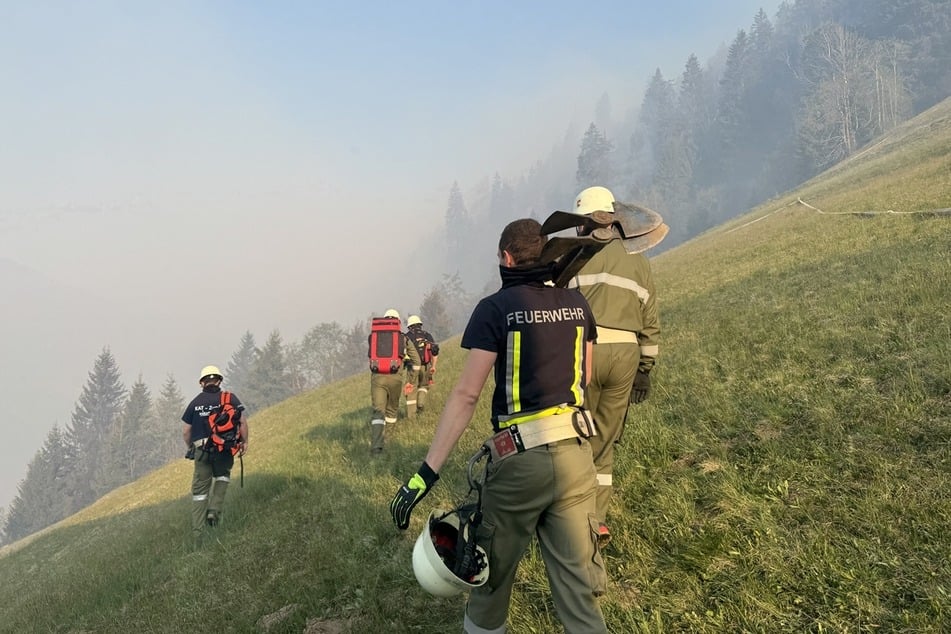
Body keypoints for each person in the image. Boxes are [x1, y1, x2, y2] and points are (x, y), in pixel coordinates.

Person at [389, 218, 608, 633]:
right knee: (578, 595)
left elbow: (466, 396)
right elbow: (588, 377)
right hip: (579, 458)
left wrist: (424, 476)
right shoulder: (578, 304)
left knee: (488, 583)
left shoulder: (495, 308)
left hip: (521, 464)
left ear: (506, 258)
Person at [567, 185, 661, 542]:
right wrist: (644, 370)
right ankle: (597, 522)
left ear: (584, 222)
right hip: (626, 356)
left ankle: (572, 516)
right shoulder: (639, 260)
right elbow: (650, 319)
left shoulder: (575, 255)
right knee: (605, 440)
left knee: (578, 433)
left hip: (584, 352)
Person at [182, 365, 248, 536]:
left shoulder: (195, 403)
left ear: (202, 383)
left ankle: (198, 533)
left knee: (200, 492)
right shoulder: (229, 398)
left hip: (201, 450)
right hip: (223, 448)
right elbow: (242, 421)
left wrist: (191, 447)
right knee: (223, 476)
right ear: (219, 380)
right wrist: (244, 441)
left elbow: (186, 431)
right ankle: (214, 511)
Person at [368, 309, 422, 454]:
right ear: (397, 322)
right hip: (395, 379)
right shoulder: (403, 338)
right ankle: (389, 440)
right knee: (391, 411)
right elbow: (417, 361)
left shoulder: (373, 336)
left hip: (377, 378)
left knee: (378, 413)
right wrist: (411, 380)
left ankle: (376, 448)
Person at [403, 314, 440, 419]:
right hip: (425, 366)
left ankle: (411, 417)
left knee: (411, 390)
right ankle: (420, 404)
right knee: (423, 386)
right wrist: (433, 366)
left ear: (409, 326)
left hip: (412, 368)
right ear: (420, 324)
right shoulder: (427, 335)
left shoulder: (406, 337)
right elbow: (434, 350)